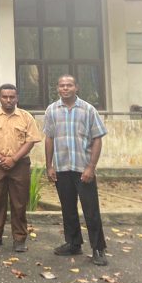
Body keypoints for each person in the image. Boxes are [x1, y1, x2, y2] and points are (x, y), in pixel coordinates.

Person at [44, 75, 108, 266]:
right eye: (62, 85)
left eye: (69, 85)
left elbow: (97, 138)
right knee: (68, 208)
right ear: (58, 88)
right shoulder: (52, 110)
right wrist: (49, 166)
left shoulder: (88, 110)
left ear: (76, 87)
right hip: (62, 168)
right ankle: (73, 243)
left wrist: (91, 167)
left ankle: (98, 248)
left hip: (83, 169)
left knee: (91, 210)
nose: (65, 88)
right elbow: (49, 138)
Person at [0, 83, 42, 252]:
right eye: (5, 97)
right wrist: (1, 158)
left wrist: (14, 159)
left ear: (17, 98)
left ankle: (19, 239)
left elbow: (31, 141)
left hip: (20, 164)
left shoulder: (26, 117)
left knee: (19, 202)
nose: (8, 100)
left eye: (12, 97)